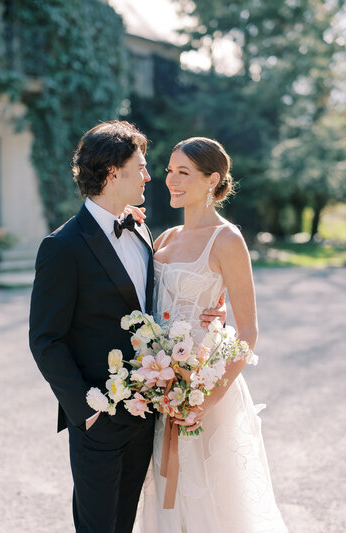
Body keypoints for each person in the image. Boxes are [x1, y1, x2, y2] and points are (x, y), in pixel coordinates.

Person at [29, 121, 224, 533]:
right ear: (113, 173)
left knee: (125, 524)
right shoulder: (62, 247)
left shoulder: (140, 230)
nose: (150, 176)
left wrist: (211, 316)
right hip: (98, 418)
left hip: (146, 414)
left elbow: (160, 307)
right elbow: (46, 340)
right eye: (141, 166)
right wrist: (86, 410)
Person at [134, 137, 288, 532]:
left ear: (212, 180)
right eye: (169, 170)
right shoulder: (163, 238)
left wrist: (206, 397)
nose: (170, 180)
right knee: (164, 491)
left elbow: (249, 330)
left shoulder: (228, 240)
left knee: (212, 502)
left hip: (205, 388)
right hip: (161, 388)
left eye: (183, 172)